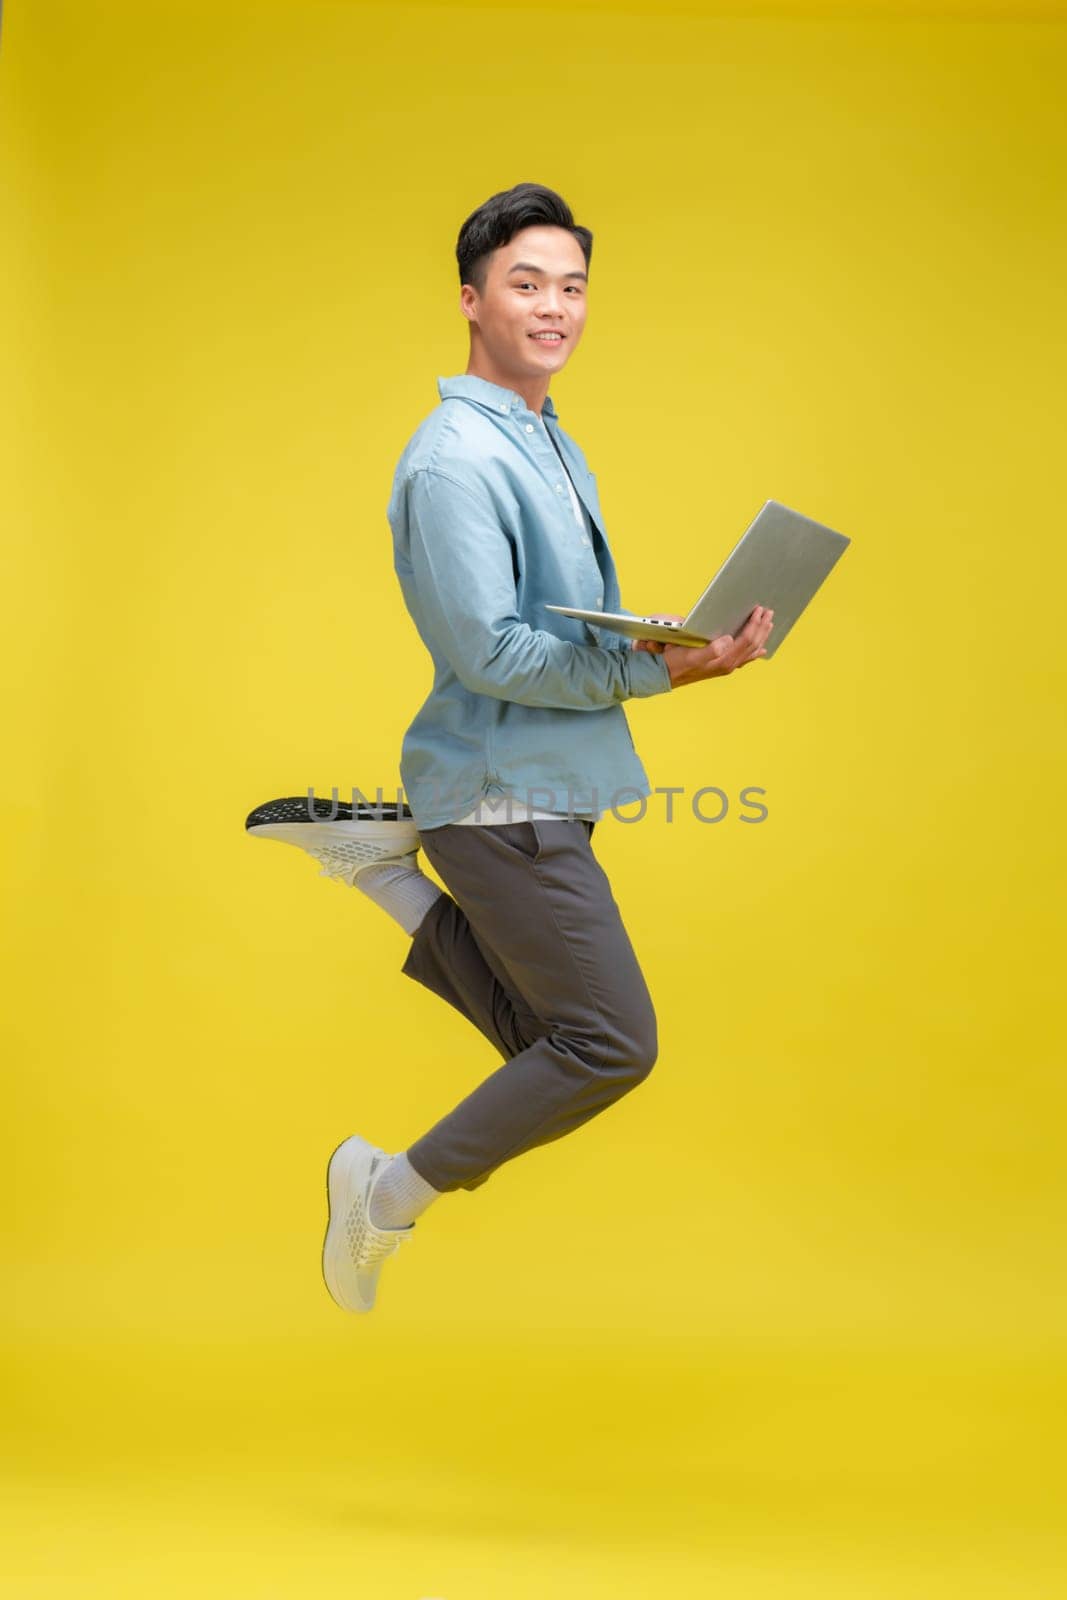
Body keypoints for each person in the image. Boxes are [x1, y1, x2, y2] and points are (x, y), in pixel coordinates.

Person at [245, 182, 774, 1314]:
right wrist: (661, 669)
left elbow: (547, 628)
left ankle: (382, 872)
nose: (553, 307)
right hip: (498, 790)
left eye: (571, 286)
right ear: (470, 300)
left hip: (540, 786)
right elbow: (491, 652)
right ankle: (385, 1192)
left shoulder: (541, 439)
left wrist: (676, 643)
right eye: (525, 284)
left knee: (550, 1036)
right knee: (606, 1044)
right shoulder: (453, 462)